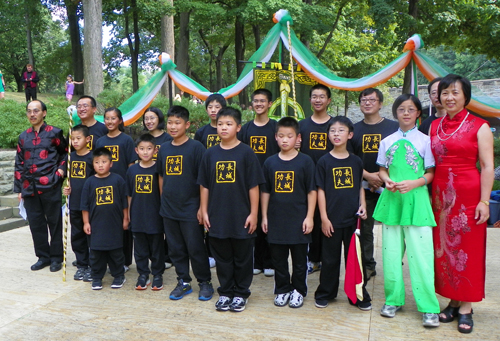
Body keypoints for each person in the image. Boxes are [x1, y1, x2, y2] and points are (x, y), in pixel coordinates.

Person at [430, 74, 494, 334]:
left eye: (455, 92)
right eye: (445, 92)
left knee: (467, 248)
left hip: (468, 195)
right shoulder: (434, 126)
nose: (449, 97)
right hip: (439, 197)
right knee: (444, 251)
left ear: (466, 96)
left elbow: (488, 166)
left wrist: (484, 200)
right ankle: (453, 300)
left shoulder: (480, 126)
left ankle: (466, 306)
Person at [373, 94, 440, 327]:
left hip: (417, 201)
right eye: (401, 109)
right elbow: (381, 169)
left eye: (411, 109)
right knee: (390, 256)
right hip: (392, 201)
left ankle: (429, 307)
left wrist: (414, 183)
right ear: (395, 112)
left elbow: (430, 173)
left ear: (418, 113)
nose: (406, 113)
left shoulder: (425, 141)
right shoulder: (386, 141)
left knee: (422, 256)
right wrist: (387, 180)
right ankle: (393, 299)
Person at [198, 107, 265, 312]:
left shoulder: (246, 153)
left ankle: (241, 293)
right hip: (217, 215)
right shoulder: (210, 154)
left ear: (238, 127)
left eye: (228, 124)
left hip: (242, 215)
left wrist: (254, 213)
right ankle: (226, 291)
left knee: (243, 257)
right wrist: (204, 210)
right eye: (220, 124)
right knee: (222, 257)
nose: (223, 128)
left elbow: (254, 186)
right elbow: (204, 185)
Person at [313, 116, 371, 311]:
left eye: (341, 130)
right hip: (331, 219)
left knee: (355, 258)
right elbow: (320, 190)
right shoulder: (324, 161)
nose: (336, 134)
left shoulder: (355, 161)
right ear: (328, 135)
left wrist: (362, 205)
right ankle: (326, 292)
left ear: (350, 134)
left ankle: (358, 294)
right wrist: (323, 218)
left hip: (353, 220)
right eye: (333, 131)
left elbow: (359, 186)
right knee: (329, 259)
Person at [157, 106, 214, 301]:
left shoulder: (196, 148)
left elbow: (203, 180)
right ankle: (183, 281)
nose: (173, 127)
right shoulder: (163, 148)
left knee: (196, 247)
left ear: (187, 125)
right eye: (170, 122)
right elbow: (161, 177)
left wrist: (201, 208)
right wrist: (163, 200)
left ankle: (204, 282)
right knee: (175, 248)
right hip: (169, 209)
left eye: (177, 122)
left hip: (191, 208)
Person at [261, 117, 317, 308]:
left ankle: (298, 290)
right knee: (279, 259)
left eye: (289, 136)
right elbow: (265, 191)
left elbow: (312, 191)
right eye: (281, 136)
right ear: (276, 137)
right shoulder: (269, 163)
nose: (285, 140)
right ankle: (282, 289)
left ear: (297, 137)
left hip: (299, 220)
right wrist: (264, 216)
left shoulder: (306, 162)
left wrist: (310, 217)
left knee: (300, 260)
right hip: (276, 220)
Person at [350, 88, 399, 280]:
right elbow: (349, 159)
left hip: (391, 187)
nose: (367, 103)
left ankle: (395, 264)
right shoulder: (354, 130)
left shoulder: (393, 127)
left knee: (394, 228)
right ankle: (368, 266)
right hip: (364, 189)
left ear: (380, 103)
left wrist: (381, 176)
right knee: (365, 229)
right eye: (364, 100)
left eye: (372, 100)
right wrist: (368, 176)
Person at [14, 100, 68, 272]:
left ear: (44, 113)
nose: (32, 114)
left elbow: (66, 154)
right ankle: (43, 256)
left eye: (36, 110)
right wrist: (19, 189)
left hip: (50, 185)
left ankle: (56, 257)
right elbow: (19, 163)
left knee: (55, 222)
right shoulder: (23, 137)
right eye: (29, 111)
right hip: (29, 187)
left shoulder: (55, 133)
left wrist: (60, 173)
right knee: (36, 223)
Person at [239, 88, 279, 277]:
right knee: (252, 220)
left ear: (270, 104)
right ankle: (256, 260)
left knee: (269, 220)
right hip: (250, 182)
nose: (259, 104)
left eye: (263, 101)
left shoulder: (275, 128)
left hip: (271, 181)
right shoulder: (246, 129)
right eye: (256, 101)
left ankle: (270, 261)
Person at [95, 107, 138, 271]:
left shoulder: (126, 140)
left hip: (122, 188)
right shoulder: (100, 142)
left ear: (120, 121)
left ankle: (125, 261)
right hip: (104, 187)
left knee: (124, 223)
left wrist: (129, 187)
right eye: (107, 118)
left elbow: (131, 166)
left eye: (113, 118)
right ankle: (107, 258)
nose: (110, 121)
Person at [299, 84, 335, 274]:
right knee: (311, 217)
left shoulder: (335, 125)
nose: (318, 100)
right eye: (314, 96)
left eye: (322, 97)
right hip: (307, 179)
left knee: (327, 218)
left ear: (329, 100)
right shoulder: (302, 125)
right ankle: (313, 259)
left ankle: (328, 258)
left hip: (330, 179)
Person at [81, 147, 129, 290]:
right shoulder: (89, 182)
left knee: (116, 252)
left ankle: (118, 275)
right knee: (96, 253)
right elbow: (85, 205)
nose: (100, 165)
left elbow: (124, 202)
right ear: (92, 164)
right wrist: (86, 222)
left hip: (114, 224)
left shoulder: (118, 180)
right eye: (97, 162)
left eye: (104, 161)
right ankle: (96, 277)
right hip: (96, 225)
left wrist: (126, 218)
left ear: (111, 163)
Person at [126, 134, 165, 291]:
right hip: (137, 216)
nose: (146, 152)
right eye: (142, 149)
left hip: (155, 216)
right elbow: (129, 195)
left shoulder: (158, 169)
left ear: (155, 150)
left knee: (156, 247)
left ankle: (158, 274)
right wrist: (128, 214)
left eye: (149, 149)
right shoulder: (132, 170)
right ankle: (143, 274)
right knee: (140, 248)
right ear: (136, 151)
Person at [142, 106, 173, 269]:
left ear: (159, 119)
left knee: (166, 224)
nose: (149, 121)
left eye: (152, 118)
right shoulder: (143, 138)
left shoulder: (168, 139)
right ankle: (153, 255)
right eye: (146, 119)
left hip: (164, 184)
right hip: (146, 187)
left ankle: (168, 256)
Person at [63, 124, 94, 282]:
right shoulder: (69, 157)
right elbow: (68, 179)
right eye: (72, 139)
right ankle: (82, 264)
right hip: (74, 204)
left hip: (91, 206)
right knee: (77, 236)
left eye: (78, 138)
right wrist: (67, 189)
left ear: (87, 139)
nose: (74, 141)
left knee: (92, 236)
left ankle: (94, 266)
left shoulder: (93, 158)